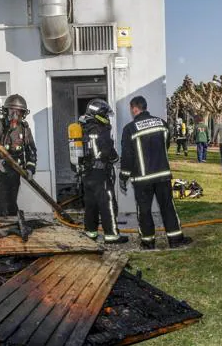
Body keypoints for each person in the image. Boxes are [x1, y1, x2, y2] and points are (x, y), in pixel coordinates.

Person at [119, 96, 192, 250]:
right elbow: (166, 146)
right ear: (145, 107)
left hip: (142, 178)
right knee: (167, 207)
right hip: (162, 175)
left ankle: (148, 242)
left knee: (144, 211)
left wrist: (123, 176)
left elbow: (127, 156)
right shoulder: (162, 124)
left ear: (134, 108)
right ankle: (175, 239)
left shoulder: (130, 129)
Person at [79, 99, 128, 244]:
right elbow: (107, 151)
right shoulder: (101, 129)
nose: (107, 117)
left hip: (87, 173)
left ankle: (91, 233)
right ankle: (112, 235)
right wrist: (115, 158)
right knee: (108, 204)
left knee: (91, 205)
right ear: (99, 114)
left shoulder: (85, 127)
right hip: (100, 173)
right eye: (105, 114)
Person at [0, 94, 37, 217]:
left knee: (11, 204)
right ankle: (2, 229)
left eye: (19, 112)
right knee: (1, 206)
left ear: (23, 113)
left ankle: (12, 227)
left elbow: (31, 151)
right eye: (12, 110)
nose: (15, 115)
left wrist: (30, 168)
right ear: (6, 111)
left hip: (16, 171)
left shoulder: (24, 129)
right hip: (0, 171)